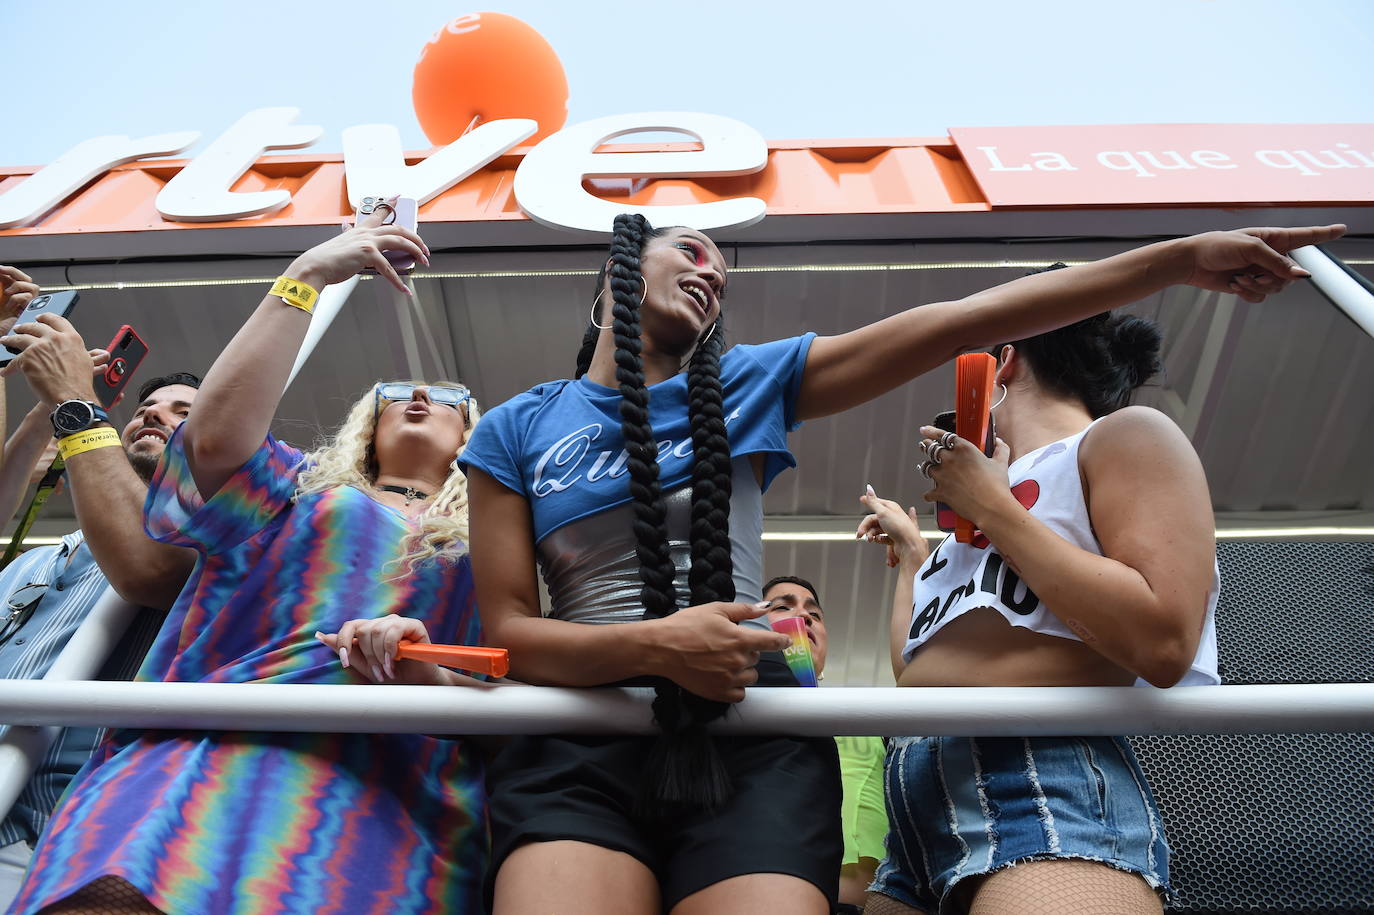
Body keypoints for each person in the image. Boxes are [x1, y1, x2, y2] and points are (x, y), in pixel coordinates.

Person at [446, 214, 1341, 915]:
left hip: (751, 744)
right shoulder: (514, 427)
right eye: (690, 249)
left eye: (724, 268)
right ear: (615, 269)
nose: (712, 270)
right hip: (578, 747)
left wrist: (1180, 260)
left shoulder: (751, 382)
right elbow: (511, 633)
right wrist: (658, 645)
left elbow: (970, 318)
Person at [9, 206, 490, 914]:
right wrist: (306, 275)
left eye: (445, 395)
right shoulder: (294, 486)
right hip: (201, 761)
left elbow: (518, 667)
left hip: (387, 795)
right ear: (365, 421)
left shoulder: (503, 532)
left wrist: (429, 669)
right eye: (393, 392)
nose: (418, 395)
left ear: (478, 431)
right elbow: (211, 442)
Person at [857, 296, 1219, 914]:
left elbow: (1163, 639)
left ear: (1003, 361)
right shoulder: (971, 520)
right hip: (918, 803)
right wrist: (917, 555)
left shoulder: (1124, 436)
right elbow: (915, 675)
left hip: (1043, 780)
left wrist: (994, 506)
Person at [0, 265, 201, 905]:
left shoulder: (209, 530)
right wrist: (45, 406)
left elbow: (150, 575)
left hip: (59, 828)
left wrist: (73, 404)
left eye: (181, 413)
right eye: (145, 407)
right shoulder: (53, 549)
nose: (153, 415)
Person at [762, 574, 890, 915]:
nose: (803, 618)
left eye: (814, 615)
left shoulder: (867, 719)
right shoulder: (730, 714)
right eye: (782, 607)